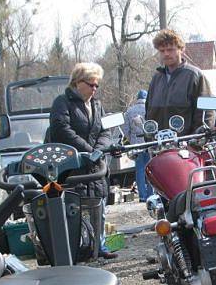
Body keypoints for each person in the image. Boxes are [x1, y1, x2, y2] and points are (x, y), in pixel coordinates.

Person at [49, 62, 118, 260]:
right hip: (72, 167)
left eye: (97, 86)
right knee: (74, 207)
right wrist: (88, 152)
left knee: (99, 206)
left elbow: (105, 130)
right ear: (78, 83)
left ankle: (99, 244)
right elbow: (61, 129)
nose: (95, 89)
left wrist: (99, 150)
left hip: (94, 165)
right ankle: (75, 246)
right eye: (91, 84)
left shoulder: (97, 104)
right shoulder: (62, 102)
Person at [145, 28, 214, 133]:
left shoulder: (195, 76)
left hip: (186, 146)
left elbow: (206, 114)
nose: (166, 54)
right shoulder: (156, 79)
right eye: (162, 51)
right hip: (157, 146)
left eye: (170, 49)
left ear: (181, 49)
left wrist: (196, 143)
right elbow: (148, 113)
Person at [123, 89, 153, 202]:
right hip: (150, 142)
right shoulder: (150, 108)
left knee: (140, 169)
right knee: (151, 169)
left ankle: (142, 196)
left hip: (136, 143)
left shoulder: (130, 111)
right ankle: (151, 194)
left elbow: (126, 130)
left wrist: (131, 141)